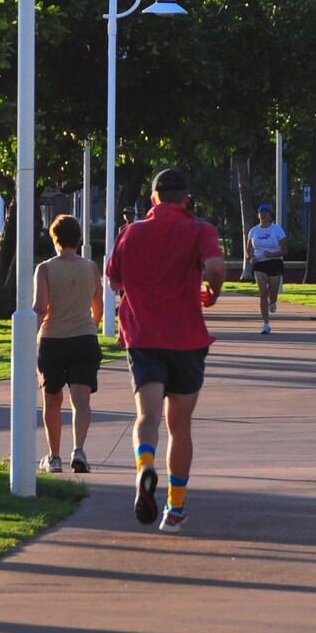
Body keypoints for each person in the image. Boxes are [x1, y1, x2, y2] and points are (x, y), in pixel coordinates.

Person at [104, 168, 227, 534]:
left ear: (153, 198)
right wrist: (213, 293)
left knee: (147, 416)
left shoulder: (132, 231)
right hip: (187, 338)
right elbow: (217, 266)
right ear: (186, 198)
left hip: (144, 337)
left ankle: (144, 466)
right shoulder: (199, 230)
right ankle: (175, 507)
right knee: (180, 426)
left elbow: (114, 278)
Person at [33, 213, 103, 473]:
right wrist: (90, 326)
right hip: (84, 339)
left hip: (53, 340)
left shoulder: (45, 269)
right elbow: (99, 306)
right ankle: (79, 450)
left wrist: (32, 336)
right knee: (81, 399)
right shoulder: (90, 267)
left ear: (55, 239)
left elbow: (41, 307)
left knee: (52, 399)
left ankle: (53, 457)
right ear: (78, 238)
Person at [246, 203, 286, 335]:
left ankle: (273, 301)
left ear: (270, 215)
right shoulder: (254, 231)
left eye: (265, 213)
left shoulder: (277, 230)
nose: (263, 215)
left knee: (272, 292)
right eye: (260, 213)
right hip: (259, 264)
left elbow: (284, 249)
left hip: (274, 262)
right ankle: (266, 324)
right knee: (263, 292)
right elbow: (249, 250)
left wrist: (273, 254)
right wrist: (250, 257)